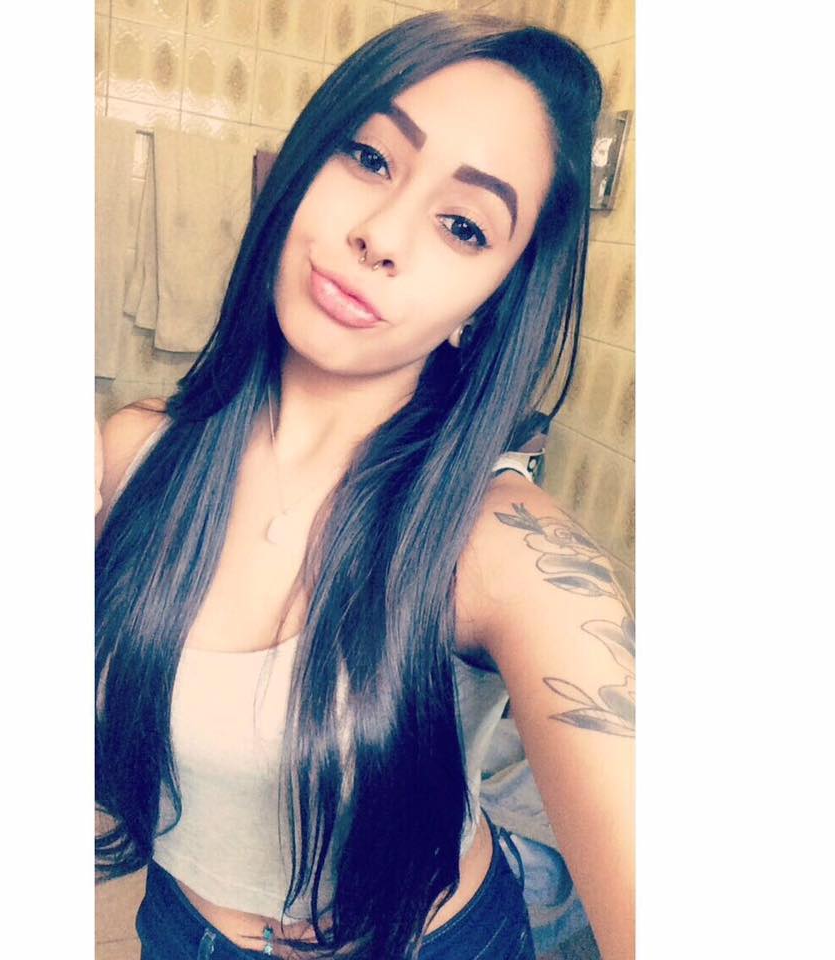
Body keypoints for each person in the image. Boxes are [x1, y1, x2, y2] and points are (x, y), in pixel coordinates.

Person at [95, 11, 632, 960]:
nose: (380, 235)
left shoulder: (503, 548)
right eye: (371, 158)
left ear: (493, 298)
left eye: (463, 226)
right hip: (176, 927)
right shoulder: (133, 454)